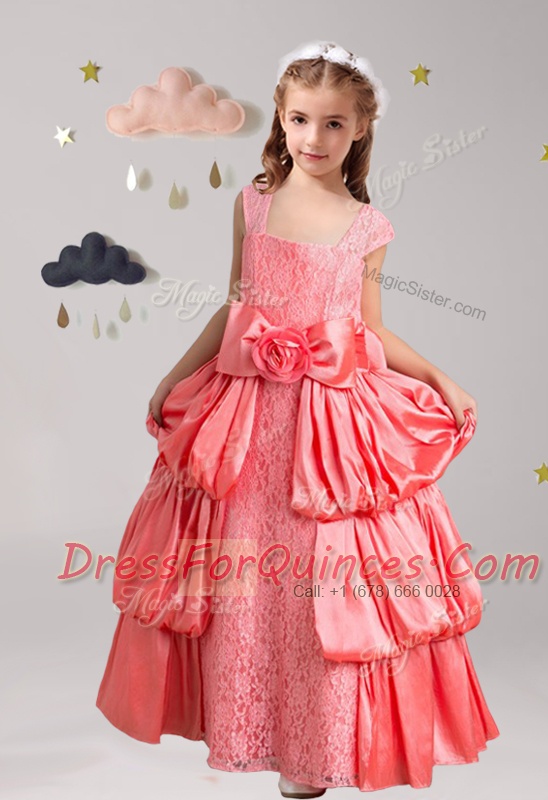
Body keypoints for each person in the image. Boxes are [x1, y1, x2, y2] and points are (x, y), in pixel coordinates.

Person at [96, 40, 499, 798]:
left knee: (322, 588)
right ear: (281, 121)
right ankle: (256, 733)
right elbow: (236, 305)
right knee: (248, 586)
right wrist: (176, 374)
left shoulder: (367, 226)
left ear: (361, 130)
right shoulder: (251, 204)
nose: (315, 137)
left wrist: (438, 375)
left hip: (327, 436)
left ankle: (310, 758)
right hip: (247, 427)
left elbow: (369, 330)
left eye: (334, 123)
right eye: (301, 120)